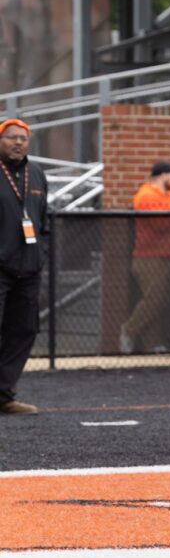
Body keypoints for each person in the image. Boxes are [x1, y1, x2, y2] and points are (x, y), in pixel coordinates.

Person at [121, 161, 170, 354]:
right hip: (149, 257)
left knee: (159, 300)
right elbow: (161, 222)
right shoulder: (145, 195)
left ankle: (152, 345)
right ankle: (129, 329)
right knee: (155, 298)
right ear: (164, 175)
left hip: (168, 255)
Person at [0, 119, 47, 415]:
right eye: (11, 138)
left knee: (24, 330)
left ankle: (4, 395)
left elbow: (44, 220)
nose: (18, 143)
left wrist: (41, 253)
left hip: (28, 269)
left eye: (23, 138)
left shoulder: (37, 174)